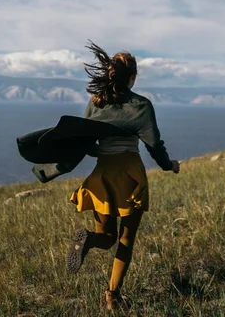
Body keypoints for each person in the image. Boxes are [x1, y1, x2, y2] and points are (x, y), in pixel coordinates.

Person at [67, 41, 180, 311]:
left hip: (102, 174)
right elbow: (154, 145)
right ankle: (113, 296)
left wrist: (101, 150)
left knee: (105, 237)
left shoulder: (95, 104)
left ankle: (88, 239)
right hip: (130, 174)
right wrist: (169, 165)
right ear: (133, 77)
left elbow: (85, 142)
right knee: (125, 240)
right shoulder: (141, 105)